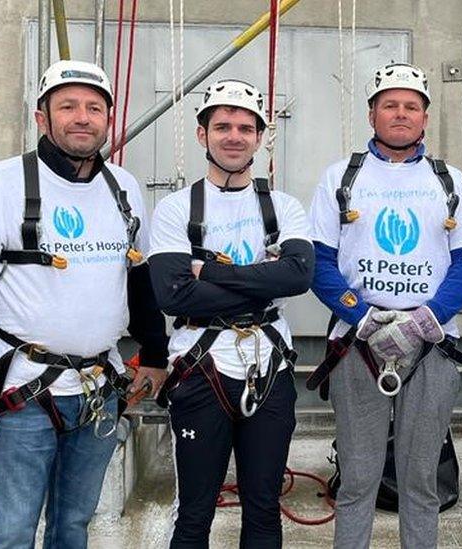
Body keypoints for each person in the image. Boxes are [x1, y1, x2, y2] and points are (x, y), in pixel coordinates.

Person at [0, 59, 168, 548]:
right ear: (42, 117)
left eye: (94, 107)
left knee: (73, 525)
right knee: (11, 532)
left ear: (108, 118)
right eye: (68, 107)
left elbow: (139, 278)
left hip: (98, 390)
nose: (82, 117)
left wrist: (155, 354)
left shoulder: (123, 189)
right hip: (23, 394)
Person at [306, 62, 462, 549]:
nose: (401, 114)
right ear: (372, 115)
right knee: (358, 480)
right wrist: (360, 316)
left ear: (425, 117)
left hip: (431, 346)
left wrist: (427, 319)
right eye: (390, 105)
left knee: (421, 483)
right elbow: (320, 262)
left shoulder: (448, 181)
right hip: (357, 342)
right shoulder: (341, 177)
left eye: (411, 106)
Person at [147, 78, 313, 549]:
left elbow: (298, 276)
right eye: (222, 126)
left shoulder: (283, 207)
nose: (234, 136)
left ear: (260, 137)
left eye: (245, 127)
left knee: (263, 507)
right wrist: (262, 282)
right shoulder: (176, 209)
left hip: (270, 368)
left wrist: (210, 272)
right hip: (202, 369)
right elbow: (174, 296)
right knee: (195, 512)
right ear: (202, 134)